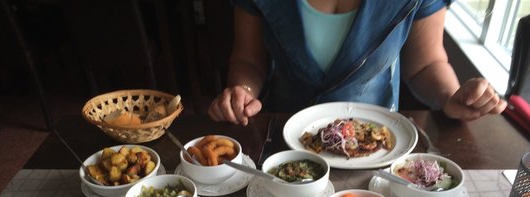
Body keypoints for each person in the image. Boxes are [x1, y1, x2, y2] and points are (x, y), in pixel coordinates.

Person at [208, 0, 507, 126]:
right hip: (284, 134)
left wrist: (451, 96)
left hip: (376, 140)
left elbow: (426, 64)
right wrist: (242, 91)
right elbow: (249, 59)